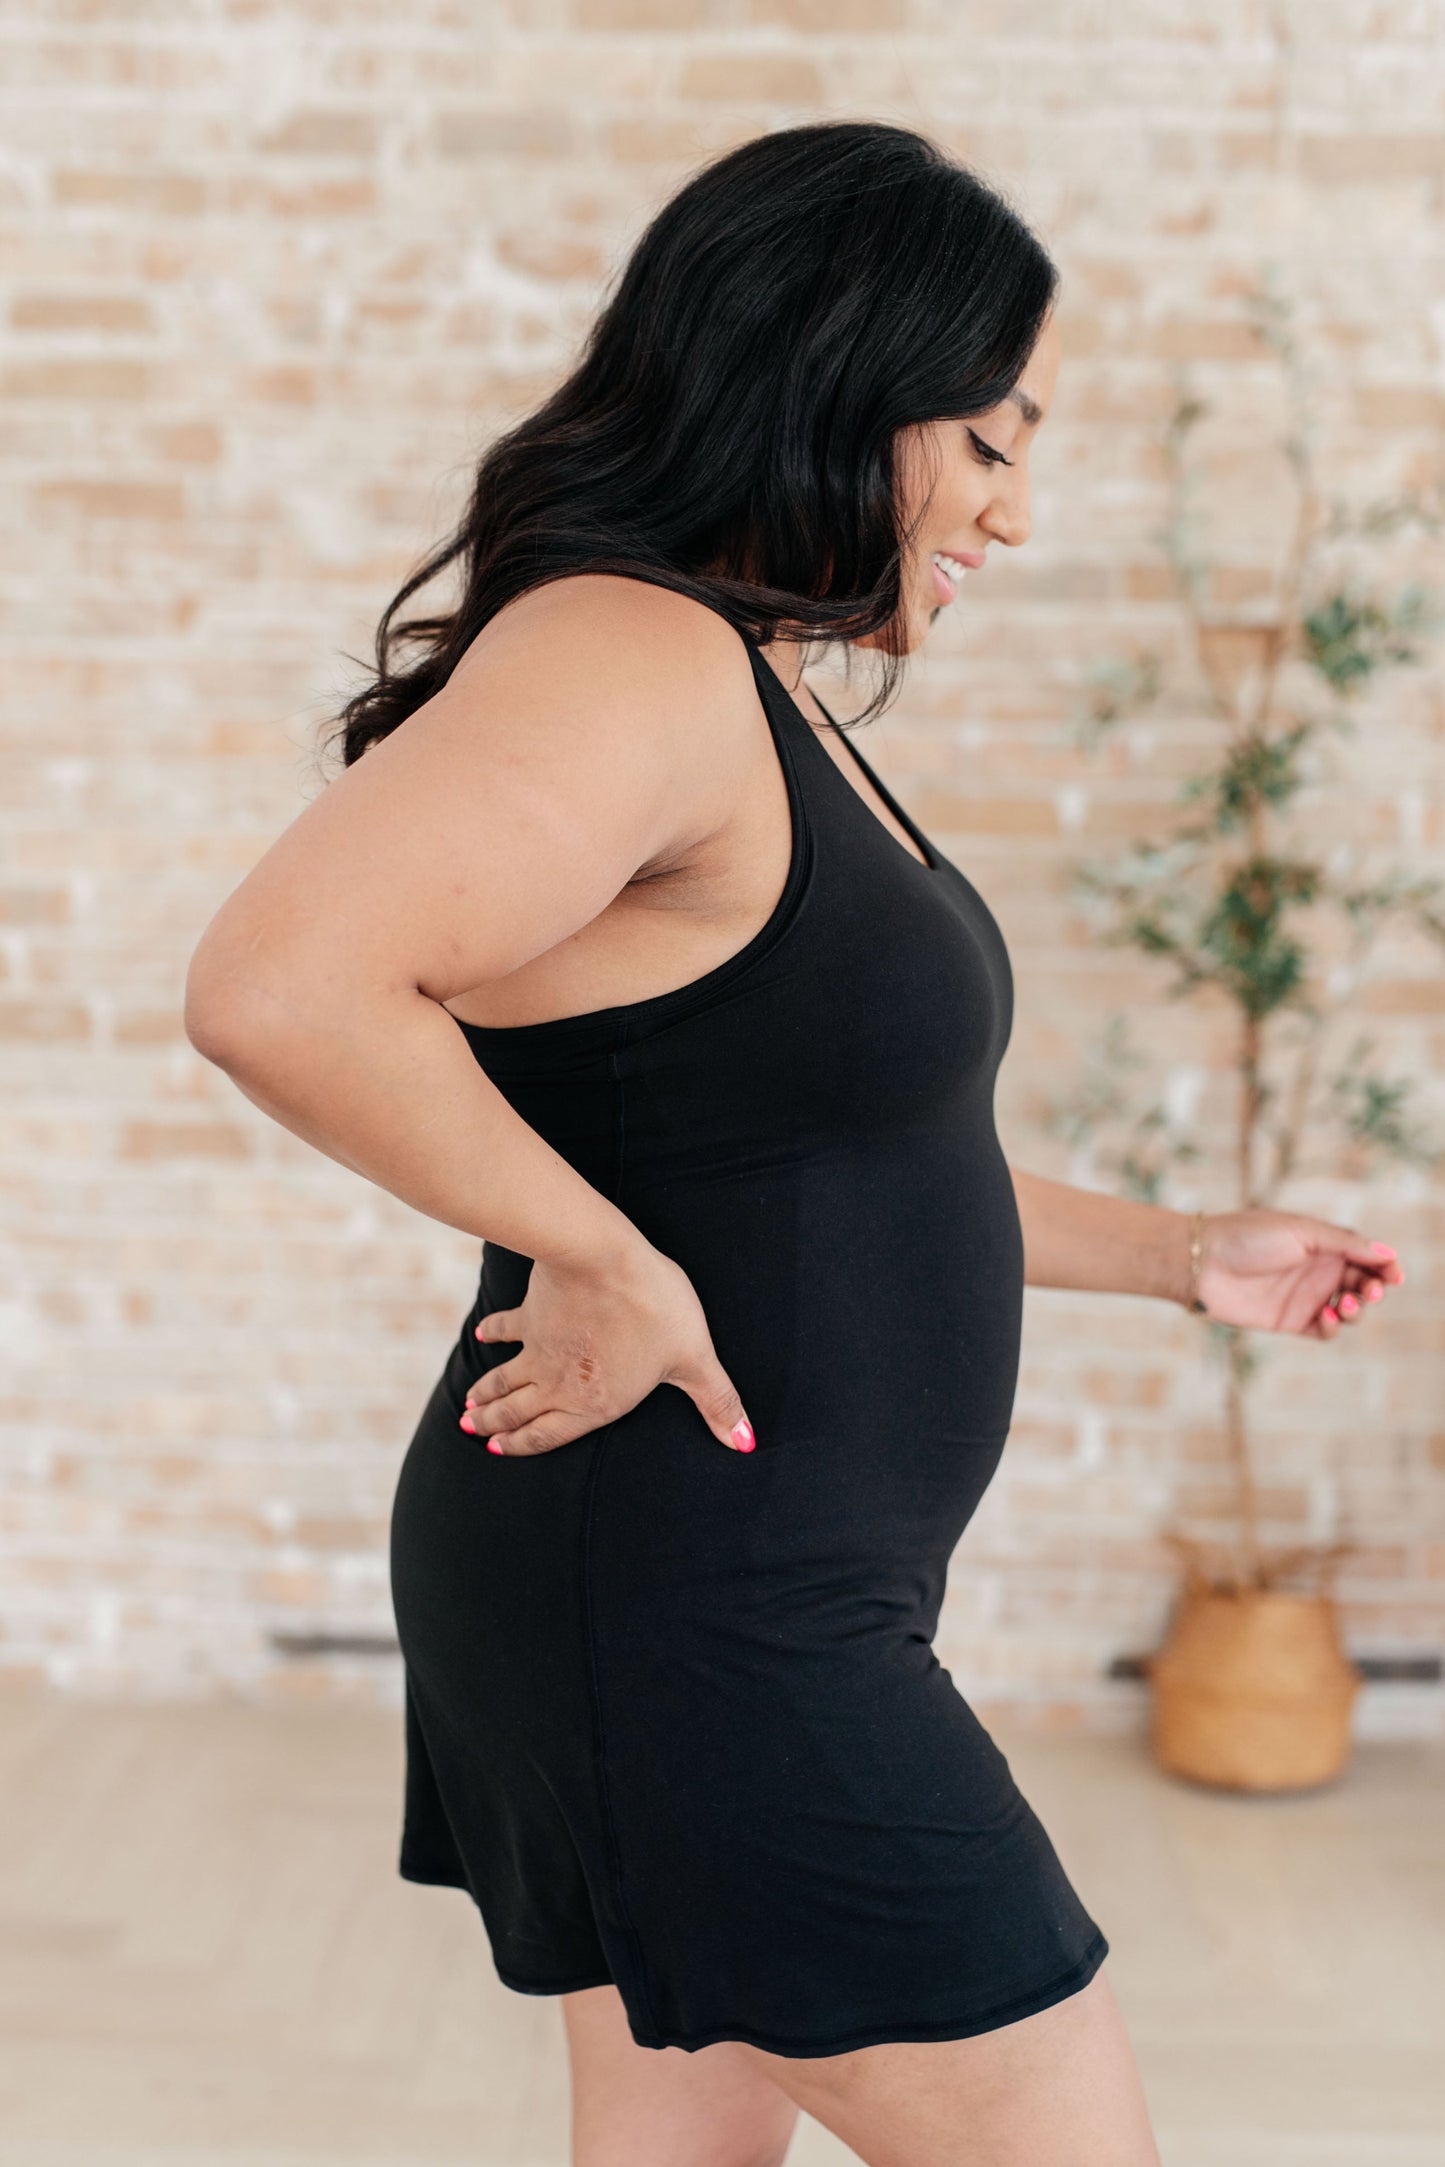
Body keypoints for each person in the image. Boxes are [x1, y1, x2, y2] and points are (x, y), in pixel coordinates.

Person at [185, 120, 1405, 2167]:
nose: (1017, 513)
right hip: (693, 1596)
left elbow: (838, 1164)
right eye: (994, 442)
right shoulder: (626, 654)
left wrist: (1191, 1250)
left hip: (705, 1585)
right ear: (847, 389)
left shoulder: (745, 683)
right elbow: (278, 988)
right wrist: (603, 1253)